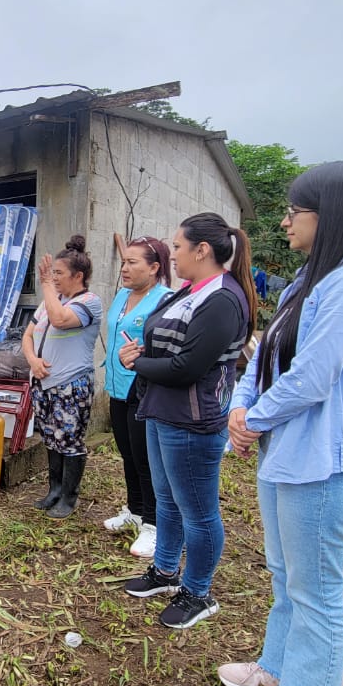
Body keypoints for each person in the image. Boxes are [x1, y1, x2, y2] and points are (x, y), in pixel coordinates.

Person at [222, 160, 343, 686]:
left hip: (324, 459)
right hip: (286, 451)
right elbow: (264, 354)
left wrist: (253, 419)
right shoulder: (307, 280)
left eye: (296, 211)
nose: (285, 221)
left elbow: (314, 377)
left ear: (332, 214)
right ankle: (276, 667)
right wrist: (241, 408)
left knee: (315, 584)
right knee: (284, 572)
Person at [118, 213, 255, 629]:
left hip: (192, 421)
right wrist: (140, 353)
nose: (173, 254)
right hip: (161, 411)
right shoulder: (188, 291)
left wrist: (138, 363)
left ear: (202, 250)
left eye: (177, 247)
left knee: (198, 512)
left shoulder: (224, 299)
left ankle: (197, 592)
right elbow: (166, 344)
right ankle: (164, 571)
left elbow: (188, 367)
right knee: (167, 500)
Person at [23, 236, 103, 519]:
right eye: (52, 273)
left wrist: (45, 284)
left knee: (69, 441)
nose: (53, 278)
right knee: (50, 438)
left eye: (59, 273)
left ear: (78, 276)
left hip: (71, 385)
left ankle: (69, 497)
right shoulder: (51, 300)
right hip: (43, 384)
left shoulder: (90, 302)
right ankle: (54, 490)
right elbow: (28, 336)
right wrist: (33, 361)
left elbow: (59, 320)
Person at [102, 236, 172, 555]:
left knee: (146, 458)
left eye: (133, 262)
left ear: (154, 268)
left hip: (144, 388)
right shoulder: (122, 295)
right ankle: (134, 510)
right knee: (127, 453)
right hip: (117, 384)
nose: (125, 268)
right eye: (124, 262)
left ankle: (154, 526)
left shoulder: (165, 300)